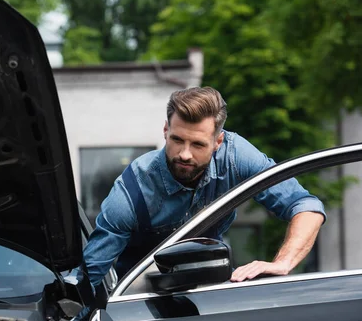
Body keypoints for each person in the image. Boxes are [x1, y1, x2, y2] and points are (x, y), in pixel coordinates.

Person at [83, 86, 326, 289]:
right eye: (177, 140)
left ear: (218, 141)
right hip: (139, 297)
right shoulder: (132, 190)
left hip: (210, 289)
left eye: (198, 144)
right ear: (166, 130)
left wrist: (282, 263)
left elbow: (304, 205)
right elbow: (90, 274)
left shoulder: (236, 157)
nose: (184, 154)